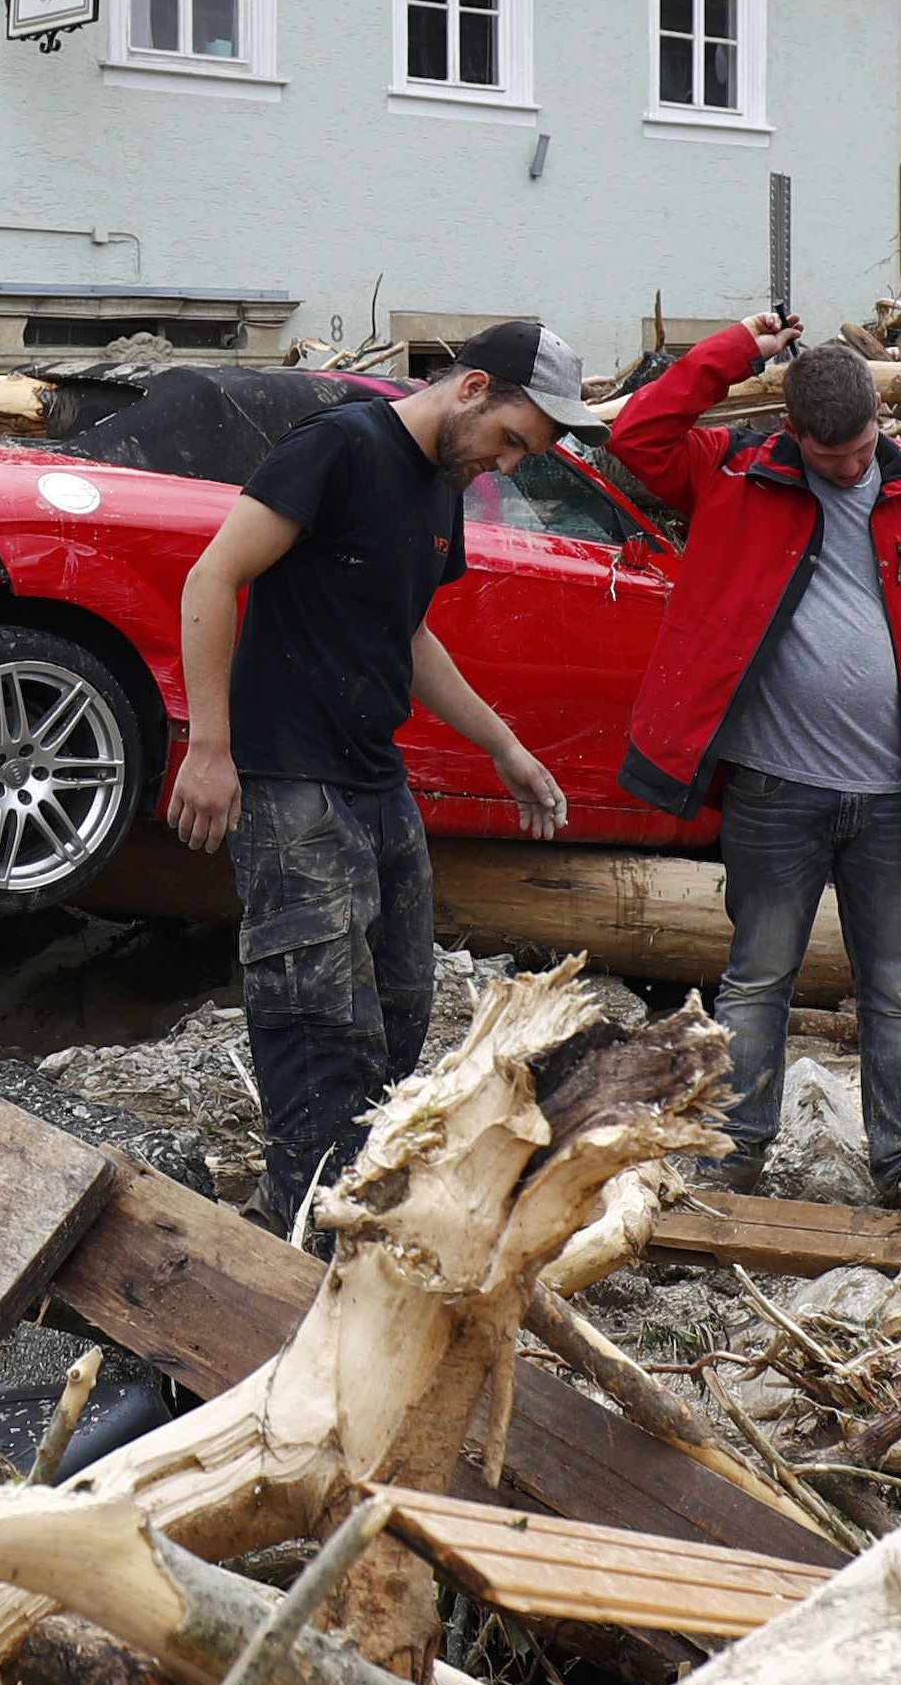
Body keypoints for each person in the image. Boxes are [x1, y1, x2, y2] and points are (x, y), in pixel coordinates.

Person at [167, 322, 610, 1233]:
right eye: (512, 440)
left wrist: (504, 747)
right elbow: (213, 576)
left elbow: (406, 636)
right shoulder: (338, 447)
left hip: (376, 780)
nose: (509, 467)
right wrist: (210, 747)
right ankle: (294, 1253)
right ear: (472, 387)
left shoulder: (438, 486)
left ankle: (339, 1218)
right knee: (319, 1038)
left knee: (402, 1016)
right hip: (291, 780)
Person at [610, 314, 901, 1209]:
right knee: (757, 977)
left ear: (880, 420)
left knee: (898, 989)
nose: (847, 466)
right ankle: (734, 1155)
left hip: (893, 798)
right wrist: (735, 348)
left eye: (861, 446)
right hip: (774, 789)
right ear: (792, 433)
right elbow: (636, 433)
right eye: (829, 454)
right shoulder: (732, 471)